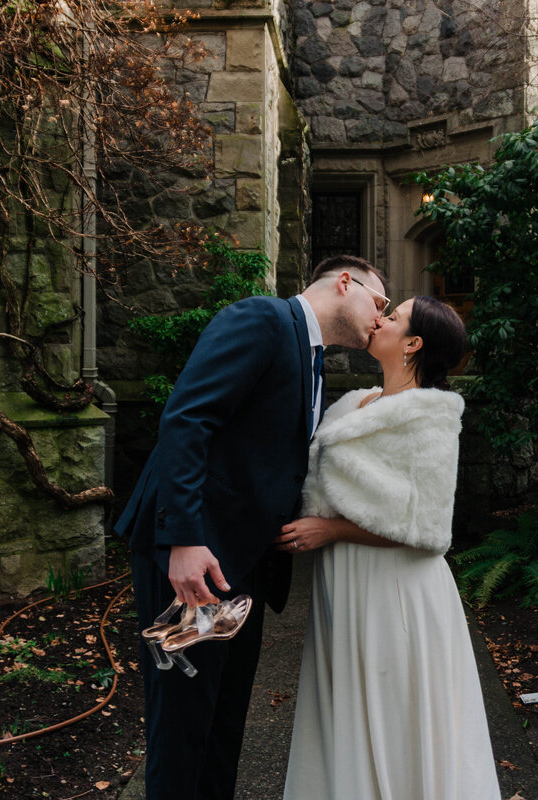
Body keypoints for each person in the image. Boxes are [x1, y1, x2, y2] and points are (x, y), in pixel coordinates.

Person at [113, 254, 390, 800]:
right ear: (343, 283)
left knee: (223, 721)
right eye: (379, 303)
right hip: (194, 566)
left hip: (241, 574)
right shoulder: (262, 320)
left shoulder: (312, 361)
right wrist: (184, 539)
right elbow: (187, 420)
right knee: (183, 725)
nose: (380, 318)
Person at [277, 295, 501, 800]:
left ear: (414, 343)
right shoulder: (356, 402)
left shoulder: (431, 417)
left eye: (393, 317)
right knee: (347, 707)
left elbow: (428, 525)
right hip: (347, 581)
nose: (380, 319)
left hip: (395, 587)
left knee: (393, 711)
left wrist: (331, 531)